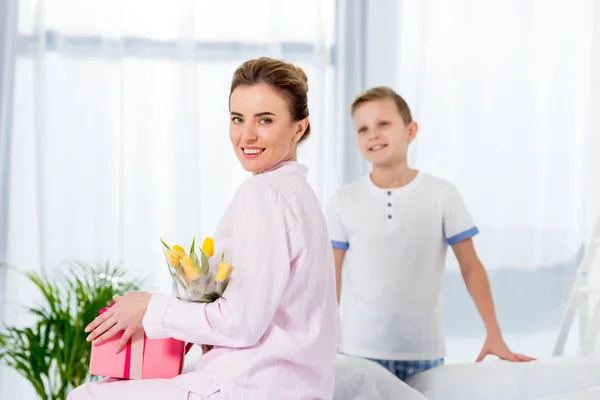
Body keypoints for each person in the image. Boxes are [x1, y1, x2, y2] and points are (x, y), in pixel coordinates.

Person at [69, 57, 339, 400]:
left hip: (251, 386)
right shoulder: (301, 194)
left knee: (87, 395)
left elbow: (240, 322)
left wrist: (151, 308)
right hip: (283, 384)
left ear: (298, 128)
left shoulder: (265, 193)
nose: (247, 135)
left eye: (265, 120)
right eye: (237, 119)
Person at [326, 86, 534, 382]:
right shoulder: (344, 201)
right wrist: (326, 340)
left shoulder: (442, 195)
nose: (372, 134)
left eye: (383, 123)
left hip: (422, 353)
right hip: (356, 349)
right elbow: (329, 276)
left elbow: (471, 267)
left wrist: (494, 333)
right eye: (362, 128)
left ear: (411, 130)